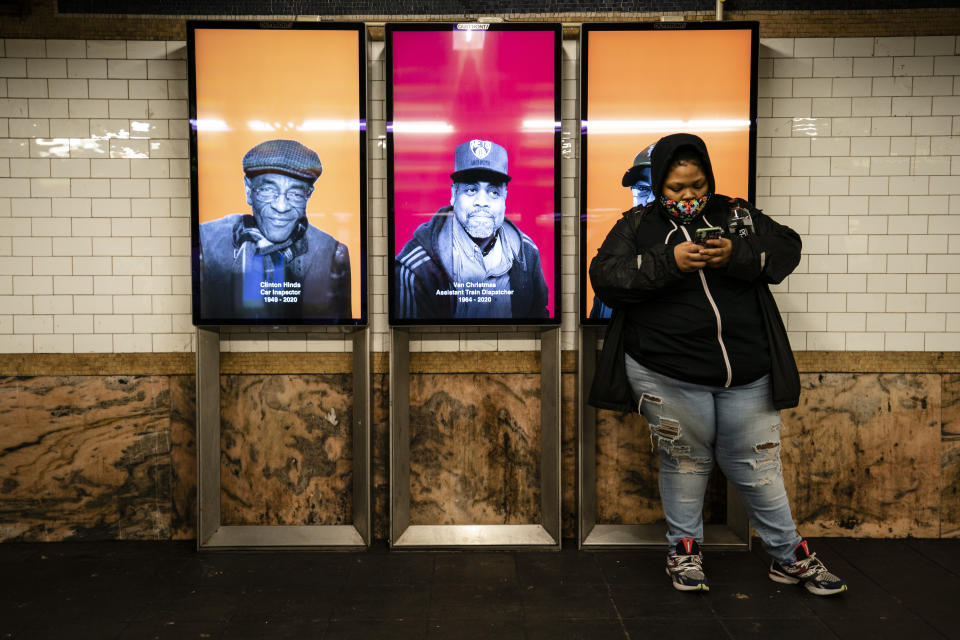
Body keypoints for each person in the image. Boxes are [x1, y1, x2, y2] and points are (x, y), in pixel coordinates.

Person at [588, 133, 847, 596]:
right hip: (666, 372)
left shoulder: (737, 214)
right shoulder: (637, 226)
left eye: (697, 184)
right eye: (675, 188)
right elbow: (606, 278)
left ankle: (789, 557)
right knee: (686, 461)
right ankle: (684, 553)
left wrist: (737, 253)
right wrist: (669, 261)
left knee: (758, 465)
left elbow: (787, 247)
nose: (688, 196)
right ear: (658, 184)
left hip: (748, 372)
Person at [394, 139, 548, 320]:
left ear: (505, 198)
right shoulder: (416, 268)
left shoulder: (527, 254)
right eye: (470, 190)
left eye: (493, 192)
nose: (482, 202)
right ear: (453, 195)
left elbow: (539, 322)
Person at [199, 139, 351, 321]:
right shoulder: (206, 244)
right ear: (248, 190)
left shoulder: (332, 253)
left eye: (295, 194)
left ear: (308, 195)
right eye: (268, 190)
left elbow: (337, 326)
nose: (281, 206)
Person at [589, 143, 656, 319]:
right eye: (642, 188)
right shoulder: (612, 262)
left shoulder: (696, 260)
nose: (650, 198)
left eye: (660, 190)